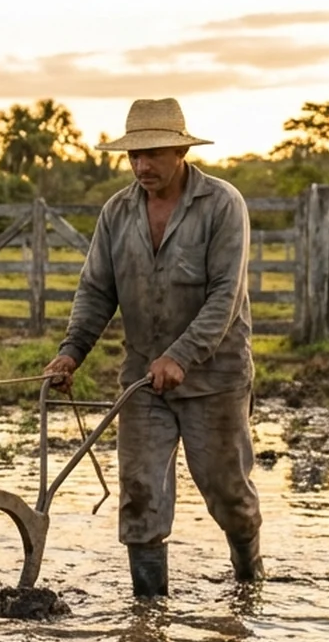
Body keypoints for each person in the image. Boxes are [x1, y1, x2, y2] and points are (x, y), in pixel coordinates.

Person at [42, 98, 262, 597]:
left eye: (154, 154)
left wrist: (180, 357)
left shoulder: (223, 205)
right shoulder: (117, 213)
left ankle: (250, 583)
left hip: (215, 378)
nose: (142, 166)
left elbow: (225, 297)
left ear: (181, 150)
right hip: (143, 379)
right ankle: (148, 620)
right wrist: (71, 351)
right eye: (133, 156)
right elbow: (97, 289)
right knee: (140, 497)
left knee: (229, 494)